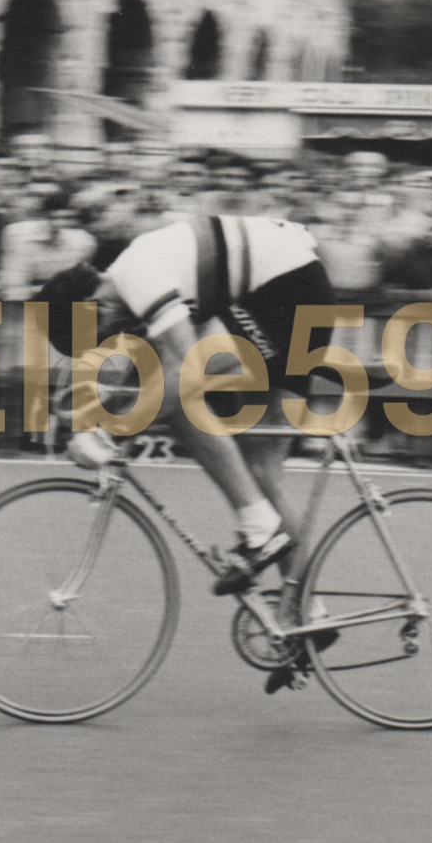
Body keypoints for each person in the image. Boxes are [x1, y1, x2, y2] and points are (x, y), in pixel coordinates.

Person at [35, 214, 340, 692]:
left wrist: (107, 433)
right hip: (290, 288)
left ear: (91, 304)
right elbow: (149, 377)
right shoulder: (132, 286)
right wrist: (87, 418)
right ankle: (308, 613)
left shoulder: (140, 275)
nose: (109, 343)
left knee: (180, 401)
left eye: (97, 336)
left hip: (287, 290)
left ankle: (260, 530)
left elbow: (187, 372)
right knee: (261, 465)